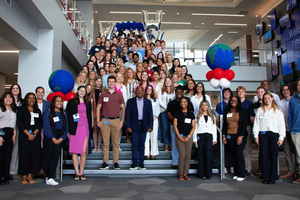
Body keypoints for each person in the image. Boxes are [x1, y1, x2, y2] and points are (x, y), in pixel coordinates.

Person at [254, 92, 285, 184]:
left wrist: (281, 137)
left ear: (272, 98)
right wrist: (256, 136)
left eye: (268, 98)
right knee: (264, 155)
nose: (267, 100)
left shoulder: (278, 111)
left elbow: (282, 125)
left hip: (274, 135)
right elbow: (256, 124)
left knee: (273, 156)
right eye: (265, 98)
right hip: (263, 135)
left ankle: (273, 177)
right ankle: (266, 176)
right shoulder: (260, 110)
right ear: (263, 100)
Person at [97, 76, 125, 170]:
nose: (111, 83)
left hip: (116, 120)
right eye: (110, 82)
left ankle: (116, 162)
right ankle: (105, 162)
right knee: (105, 143)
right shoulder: (103, 94)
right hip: (105, 120)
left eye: (113, 81)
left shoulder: (119, 94)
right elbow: (98, 108)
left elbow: (123, 108)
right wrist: (98, 120)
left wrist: (122, 120)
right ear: (107, 83)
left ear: (115, 82)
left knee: (115, 143)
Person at [66, 86, 92, 181]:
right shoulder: (71, 102)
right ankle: (77, 172)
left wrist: (89, 127)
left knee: (83, 151)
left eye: (84, 91)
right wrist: (68, 130)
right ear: (77, 91)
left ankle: (82, 172)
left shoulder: (88, 103)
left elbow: (89, 116)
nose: (82, 92)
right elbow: (68, 116)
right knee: (74, 151)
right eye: (80, 90)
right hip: (74, 128)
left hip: (84, 128)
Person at [17, 93, 43, 184]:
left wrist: (34, 133)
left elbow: (40, 124)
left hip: (35, 135)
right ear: (26, 99)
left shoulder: (37, 110)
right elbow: (20, 123)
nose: (31, 100)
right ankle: (23, 176)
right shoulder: (21, 110)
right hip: (24, 135)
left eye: (33, 99)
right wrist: (28, 134)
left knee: (34, 155)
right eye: (29, 98)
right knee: (24, 155)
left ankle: (30, 175)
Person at [43, 95, 68, 185]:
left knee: (55, 158)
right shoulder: (48, 112)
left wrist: (61, 138)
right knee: (47, 157)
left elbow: (66, 127)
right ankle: (47, 177)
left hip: (60, 137)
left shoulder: (64, 113)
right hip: (50, 137)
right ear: (53, 102)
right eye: (57, 101)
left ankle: (50, 177)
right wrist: (53, 138)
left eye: (61, 101)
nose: (59, 103)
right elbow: (46, 126)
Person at [126, 86, 153, 170]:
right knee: (134, 144)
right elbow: (128, 115)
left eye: (141, 91)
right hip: (134, 125)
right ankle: (134, 163)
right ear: (135, 92)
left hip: (144, 125)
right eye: (138, 91)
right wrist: (128, 126)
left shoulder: (148, 102)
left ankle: (141, 163)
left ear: (143, 92)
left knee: (142, 144)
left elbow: (150, 115)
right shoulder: (130, 101)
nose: (140, 92)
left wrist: (150, 126)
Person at [222, 96, 248, 182]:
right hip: (230, 136)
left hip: (240, 136)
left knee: (239, 153)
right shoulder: (227, 112)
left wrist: (241, 136)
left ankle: (242, 174)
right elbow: (225, 125)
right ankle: (236, 173)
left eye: (235, 100)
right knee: (233, 155)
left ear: (238, 102)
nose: (233, 102)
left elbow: (244, 124)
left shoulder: (242, 112)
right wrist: (224, 135)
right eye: (232, 100)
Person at [167, 87, 190, 169]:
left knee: (184, 145)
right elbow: (169, 114)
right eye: (177, 92)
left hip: (185, 127)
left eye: (180, 92)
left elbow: (191, 113)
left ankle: (183, 163)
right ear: (175, 93)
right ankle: (175, 163)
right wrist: (177, 121)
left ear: (183, 93)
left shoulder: (187, 102)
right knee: (174, 145)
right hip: (174, 126)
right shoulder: (171, 103)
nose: (178, 93)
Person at [173, 97, 195, 181]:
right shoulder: (177, 113)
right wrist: (179, 137)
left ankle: (186, 173)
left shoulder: (191, 114)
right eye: (181, 102)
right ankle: (180, 174)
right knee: (182, 155)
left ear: (187, 103)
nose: (183, 103)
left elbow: (193, 126)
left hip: (189, 137)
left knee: (188, 155)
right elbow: (175, 126)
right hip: (180, 136)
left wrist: (189, 136)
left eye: (185, 102)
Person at [195, 100, 217, 179]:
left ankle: (208, 173)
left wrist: (215, 139)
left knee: (208, 155)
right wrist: (195, 139)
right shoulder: (197, 115)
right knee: (201, 155)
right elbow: (195, 128)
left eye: (206, 105)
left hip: (209, 136)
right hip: (200, 135)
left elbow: (214, 128)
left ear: (208, 106)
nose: (204, 106)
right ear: (201, 106)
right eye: (203, 105)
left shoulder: (212, 116)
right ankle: (202, 173)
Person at [279, 84, 297, 179]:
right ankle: (290, 171)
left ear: (290, 90)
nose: (285, 91)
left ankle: (297, 171)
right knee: (287, 152)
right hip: (284, 130)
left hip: (294, 129)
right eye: (283, 90)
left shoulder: (295, 100)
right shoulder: (280, 103)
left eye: (287, 90)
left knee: (297, 152)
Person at [236, 86, 253, 177]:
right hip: (236, 128)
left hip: (246, 128)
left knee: (247, 149)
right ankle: (239, 168)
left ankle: (248, 168)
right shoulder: (235, 103)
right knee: (238, 150)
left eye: (242, 91)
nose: (241, 93)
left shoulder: (249, 104)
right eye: (239, 92)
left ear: (245, 93)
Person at [34, 87, 51, 180]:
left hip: (44, 129)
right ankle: (34, 170)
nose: (40, 94)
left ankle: (41, 171)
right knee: (34, 151)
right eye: (38, 92)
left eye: (42, 92)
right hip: (34, 128)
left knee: (43, 151)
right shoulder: (32, 103)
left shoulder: (47, 103)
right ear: (36, 93)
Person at [249, 86, 266, 175]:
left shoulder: (269, 105)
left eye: (262, 92)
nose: (260, 94)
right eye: (258, 92)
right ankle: (261, 168)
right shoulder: (254, 106)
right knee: (260, 151)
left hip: (268, 132)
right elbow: (252, 119)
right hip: (258, 131)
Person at [0, 92, 17, 185]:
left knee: (8, 156)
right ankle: (0, 176)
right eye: (6, 98)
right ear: (3, 99)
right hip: (2, 132)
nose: (8, 99)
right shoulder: (1, 109)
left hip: (11, 133)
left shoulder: (13, 110)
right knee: (1, 156)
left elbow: (14, 125)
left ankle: (6, 175)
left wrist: (14, 135)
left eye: (10, 98)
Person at [157, 77, 175, 151]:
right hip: (164, 111)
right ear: (164, 83)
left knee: (172, 129)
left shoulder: (174, 91)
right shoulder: (161, 91)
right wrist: (167, 107)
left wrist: (170, 108)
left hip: (173, 112)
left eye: (169, 81)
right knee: (165, 128)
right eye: (166, 81)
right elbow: (159, 100)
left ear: (171, 82)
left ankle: (172, 144)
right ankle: (166, 144)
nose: (167, 82)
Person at [9, 83, 23, 178]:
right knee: (9, 149)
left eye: (17, 88)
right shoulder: (8, 101)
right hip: (9, 127)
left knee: (17, 149)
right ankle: (9, 169)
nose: (15, 90)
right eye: (13, 88)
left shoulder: (21, 101)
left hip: (19, 127)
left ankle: (15, 168)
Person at [288, 78, 300, 184]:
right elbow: (290, 115)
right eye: (299, 85)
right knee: (299, 155)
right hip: (296, 130)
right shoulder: (293, 100)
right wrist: (291, 129)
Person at [144, 85, 160, 160]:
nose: (149, 90)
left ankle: (153, 153)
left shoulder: (155, 100)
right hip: (145, 120)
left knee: (154, 136)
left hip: (154, 119)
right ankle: (146, 153)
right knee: (146, 137)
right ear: (146, 90)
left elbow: (158, 110)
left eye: (151, 89)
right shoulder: (143, 99)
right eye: (148, 89)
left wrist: (155, 116)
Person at [92, 77, 104, 152]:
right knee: (95, 129)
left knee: (100, 129)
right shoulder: (92, 91)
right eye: (97, 81)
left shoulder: (104, 91)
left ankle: (99, 146)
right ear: (95, 82)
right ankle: (95, 146)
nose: (99, 83)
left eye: (100, 81)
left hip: (102, 112)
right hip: (93, 111)